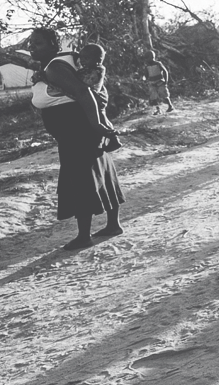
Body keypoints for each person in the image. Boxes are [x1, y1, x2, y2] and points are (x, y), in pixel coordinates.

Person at [28, 28, 126, 250]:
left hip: (78, 132)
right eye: (31, 43)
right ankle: (113, 225)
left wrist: (96, 124)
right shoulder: (57, 65)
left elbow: (84, 93)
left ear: (55, 44)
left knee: (80, 179)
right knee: (102, 173)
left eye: (39, 43)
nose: (32, 47)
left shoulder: (55, 67)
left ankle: (84, 236)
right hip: (81, 130)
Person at [75, 44, 122, 152]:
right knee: (101, 117)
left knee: (100, 118)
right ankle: (112, 138)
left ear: (98, 60)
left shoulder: (98, 70)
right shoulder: (89, 68)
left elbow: (86, 84)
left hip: (97, 98)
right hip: (95, 96)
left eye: (86, 58)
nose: (82, 61)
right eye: (81, 58)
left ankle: (113, 138)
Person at [144, 50, 174, 114]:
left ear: (152, 57)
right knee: (153, 97)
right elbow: (146, 74)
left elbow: (165, 71)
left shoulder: (158, 64)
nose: (146, 60)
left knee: (164, 94)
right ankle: (158, 109)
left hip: (160, 82)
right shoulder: (147, 66)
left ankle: (170, 106)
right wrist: (146, 80)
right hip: (152, 83)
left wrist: (166, 81)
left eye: (147, 58)